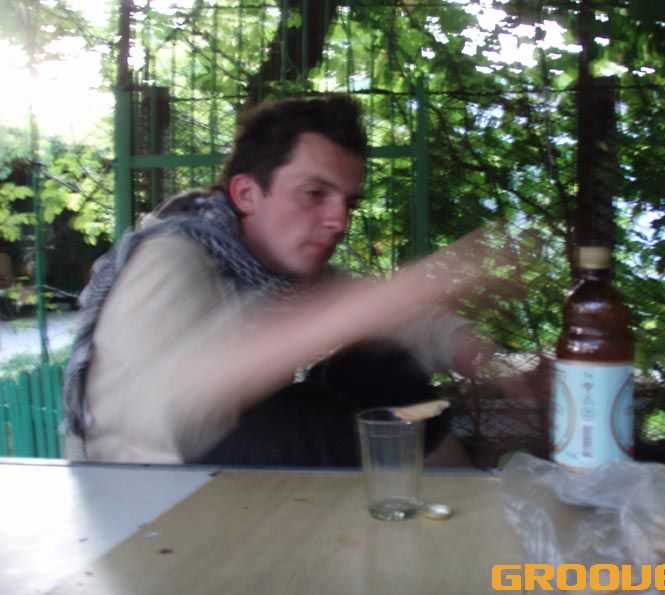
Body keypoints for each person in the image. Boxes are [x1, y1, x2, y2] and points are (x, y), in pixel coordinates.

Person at [62, 95, 507, 467]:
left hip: (229, 453)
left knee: (380, 368)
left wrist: (488, 360)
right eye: (314, 194)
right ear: (246, 194)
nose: (338, 221)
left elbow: (398, 318)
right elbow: (172, 408)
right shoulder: (172, 258)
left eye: (348, 203)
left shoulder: (280, 269)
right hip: (142, 483)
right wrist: (352, 314)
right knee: (310, 422)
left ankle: (458, 497)